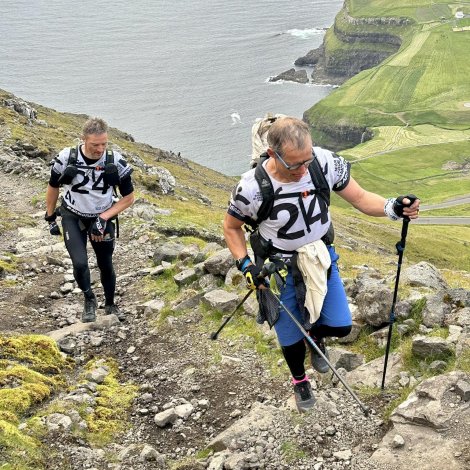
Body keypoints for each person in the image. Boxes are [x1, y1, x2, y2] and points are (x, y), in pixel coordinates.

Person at [223, 116, 420, 412]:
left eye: (307, 159)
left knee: (341, 326)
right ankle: (299, 381)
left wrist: (393, 207)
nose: (303, 169)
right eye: (295, 164)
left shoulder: (323, 163)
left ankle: (315, 335)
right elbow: (231, 227)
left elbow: (362, 198)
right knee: (290, 337)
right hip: (280, 268)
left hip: (321, 258)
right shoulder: (251, 187)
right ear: (273, 155)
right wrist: (245, 265)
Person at [45, 117, 135, 323]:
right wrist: (50, 215)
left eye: (104, 143)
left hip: (102, 217)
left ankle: (110, 303)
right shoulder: (66, 157)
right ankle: (89, 299)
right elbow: (53, 187)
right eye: (95, 145)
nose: (100, 149)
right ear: (83, 139)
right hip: (72, 215)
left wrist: (104, 217)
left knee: (106, 264)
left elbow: (129, 198)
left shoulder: (115, 162)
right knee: (79, 263)